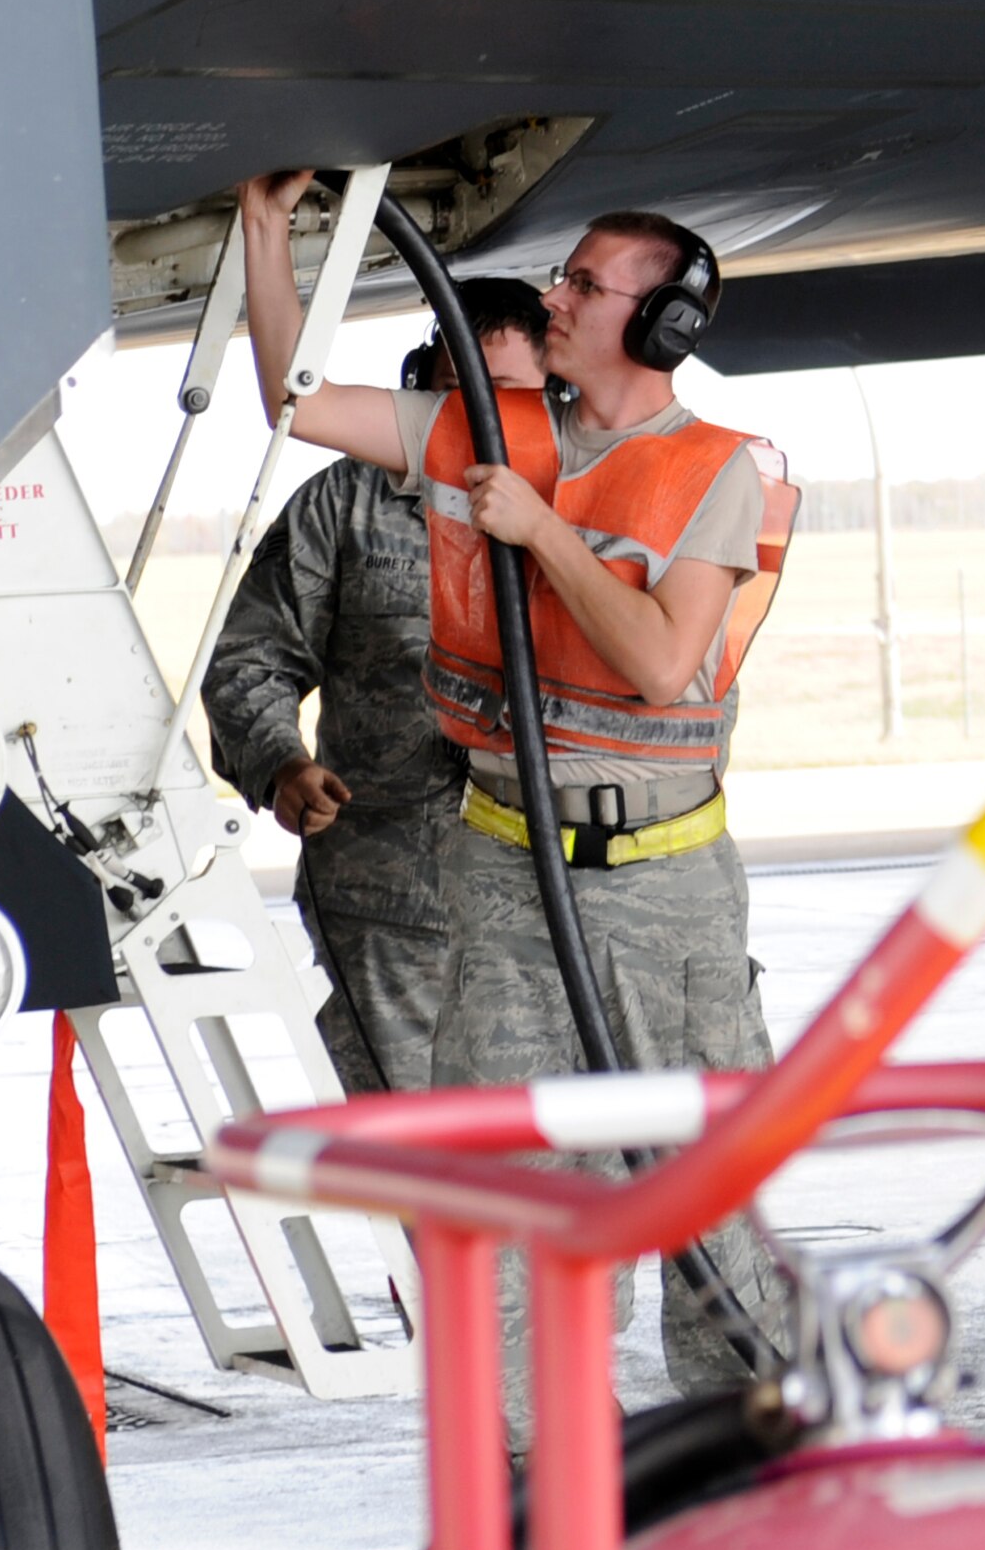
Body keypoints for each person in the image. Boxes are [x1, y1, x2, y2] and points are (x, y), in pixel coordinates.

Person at [237, 170, 796, 1438]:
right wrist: (271, 232)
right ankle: (546, 1486)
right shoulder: (488, 431)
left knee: (711, 1188)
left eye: (585, 285)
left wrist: (541, 532)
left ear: (660, 330)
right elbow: (294, 401)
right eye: (566, 275)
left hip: (663, 889)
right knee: (497, 1198)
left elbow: (661, 665)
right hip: (503, 873)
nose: (556, 294)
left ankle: (744, 1465)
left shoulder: (709, 471)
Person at [202, 280, 549, 1094]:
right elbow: (248, 657)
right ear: (421, 380)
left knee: (561, 1158)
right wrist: (280, 766)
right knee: (424, 1163)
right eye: (456, 388)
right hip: (390, 902)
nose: (483, 416)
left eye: (510, 395)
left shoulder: (582, 501)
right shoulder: (343, 504)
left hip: (551, 904)